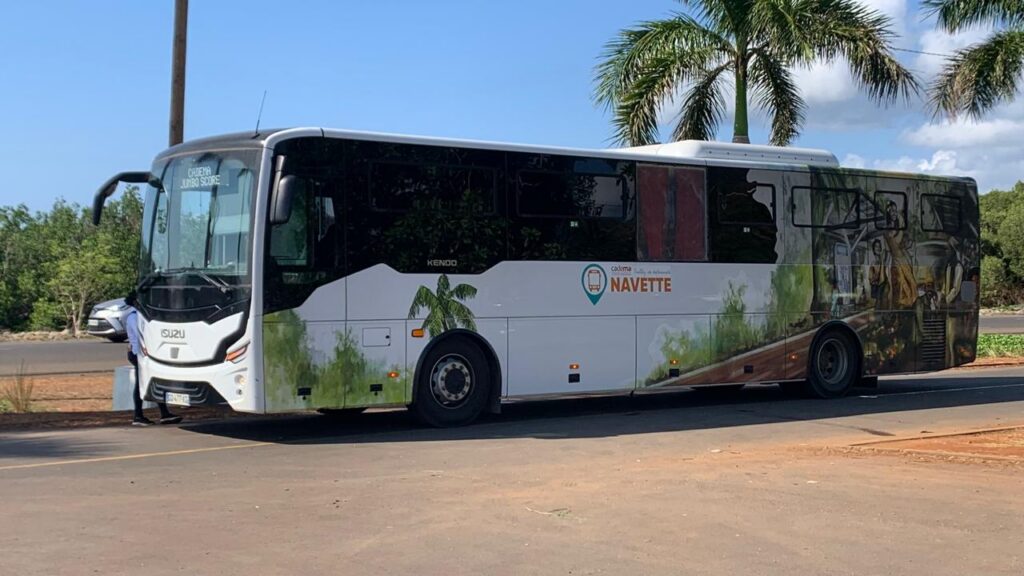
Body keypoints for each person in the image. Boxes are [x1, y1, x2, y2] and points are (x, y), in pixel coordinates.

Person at [125, 291, 182, 426]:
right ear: (136, 302)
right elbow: (141, 335)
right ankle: (138, 416)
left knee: (154, 381)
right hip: (139, 353)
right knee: (141, 384)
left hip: (143, 353)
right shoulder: (134, 317)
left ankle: (164, 413)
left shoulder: (140, 315)